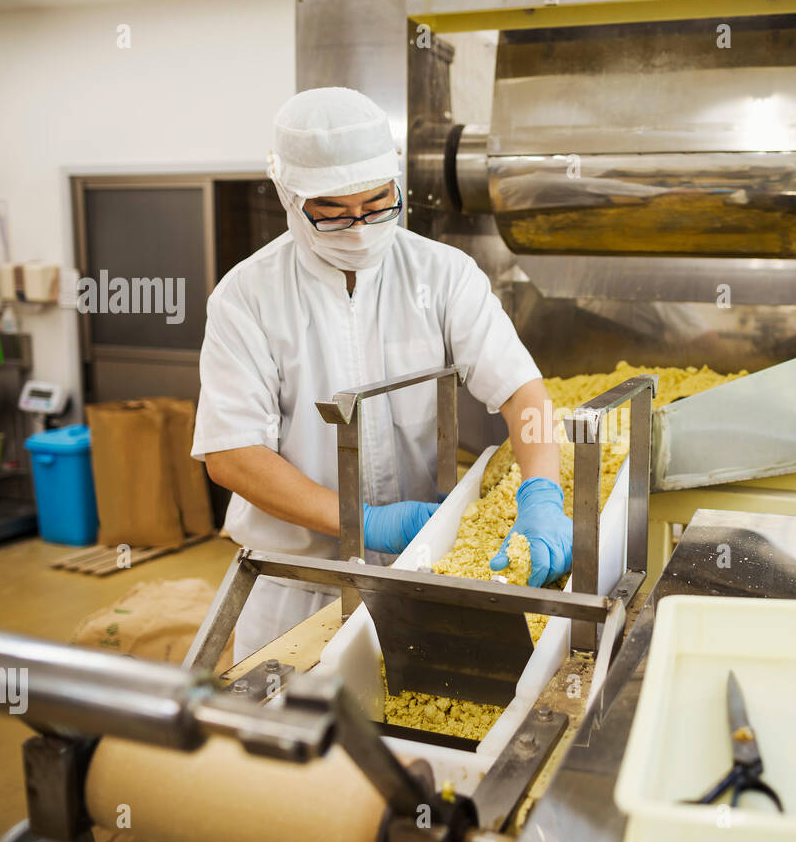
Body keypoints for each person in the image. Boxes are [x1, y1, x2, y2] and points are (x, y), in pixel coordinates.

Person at [192, 87, 571, 663]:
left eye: (377, 202)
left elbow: (521, 391)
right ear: (290, 199)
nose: (363, 227)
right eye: (334, 213)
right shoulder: (247, 298)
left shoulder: (442, 274)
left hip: (427, 569)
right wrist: (361, 521)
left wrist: (542, 490)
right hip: (299, 586)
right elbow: (232, 452)